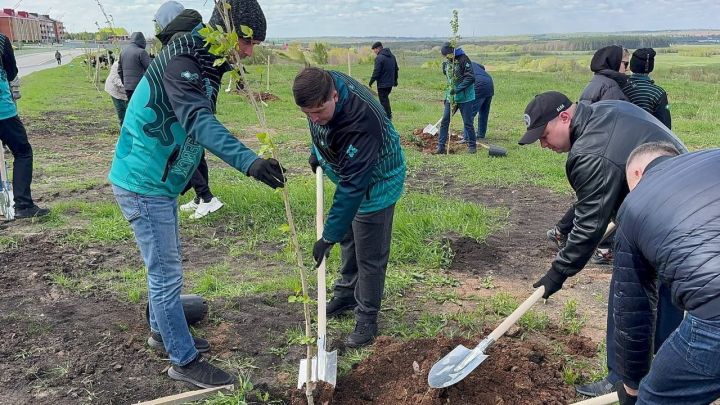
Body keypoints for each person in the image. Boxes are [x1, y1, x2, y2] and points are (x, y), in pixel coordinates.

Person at [108, 0, 285, 388]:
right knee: (167, 275)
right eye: (246, 41)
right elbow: (198, 118)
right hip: (143, 182)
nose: (250, 51)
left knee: (165, 269)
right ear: (225, 30)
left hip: (160, 181)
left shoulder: (207, 56)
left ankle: (161, 331)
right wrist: (250, 162)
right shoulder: (182, 59)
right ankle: (183, 361)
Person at [518, 91, 687, 397]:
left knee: (643, 298)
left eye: (544, 135)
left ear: (565, 117)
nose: (543, 145)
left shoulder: (589, 154)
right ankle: (643, 376)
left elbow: (588, 228)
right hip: (668, 202)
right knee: (651, 295)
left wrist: (557, 274)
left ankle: (641, 382)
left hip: (665, 219)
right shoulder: (602, 109)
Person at [292, 67, 406, 348]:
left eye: (319, 111)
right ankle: (345, 295)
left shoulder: (361, 119)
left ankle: (367, 317)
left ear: (334, 96)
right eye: (308, 114)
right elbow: (322, 126)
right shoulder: (320, 84)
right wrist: (318, 149)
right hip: (351, 176)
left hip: (376, 182)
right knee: (349, 239)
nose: (314, 118)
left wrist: (327, 236)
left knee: (369, 253)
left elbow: (354, 185)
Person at [613, 145, 720, 405]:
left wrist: (634, 385)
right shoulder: (711, 158)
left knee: (654, 398)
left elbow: (633, 312)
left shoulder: (634, 205)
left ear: (637, 173)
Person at [548, 46, 631, 263]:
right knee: (609, 201)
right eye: (625, 64)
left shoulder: (595, 84)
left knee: (591, 199)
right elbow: (618, 126)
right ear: (613, 64)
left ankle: (561, 229)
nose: (627, 69)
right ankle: (604, 248)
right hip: (604, 153)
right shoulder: (611, 89)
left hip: (593, 150)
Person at [153, 1, 222, 219]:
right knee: (196, 154)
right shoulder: (195, 40)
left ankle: (208, 197)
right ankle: (201, 197)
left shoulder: (181, 43)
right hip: (195, 107)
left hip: (187, 110)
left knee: (188, 155)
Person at [0, 33, 49, 219]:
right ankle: (23, 204)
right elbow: (12, 72)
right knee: (22, 152)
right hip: (3, 111)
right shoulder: (2, 41)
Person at [435, 42, 476, 154]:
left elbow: (470, 77)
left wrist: (457, 89)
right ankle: (441, 146)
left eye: (446, 55)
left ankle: (472, 146)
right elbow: (450, 81)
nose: (445, 57)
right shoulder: (448, 61)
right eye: (444, 56)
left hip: (465, 97)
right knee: (445, 121)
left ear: (451, 52)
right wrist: (447, 95)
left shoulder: (463, 59)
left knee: (468, 122)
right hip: (451, 97)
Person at [622, 48, 671, 129]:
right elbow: (666, 126)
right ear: (651, 68)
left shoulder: (620, 86)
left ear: (631, 65)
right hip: (649, 138)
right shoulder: (658, 93)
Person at [368, 41, 399, 120]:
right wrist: (395, 81)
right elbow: (396, 69)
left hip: (382, 84)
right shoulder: (392, 56)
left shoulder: (379, 58)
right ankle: (387, 115)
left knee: (383, 101)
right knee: (385, 99)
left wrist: (371, 81)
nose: (374, 51)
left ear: (378, 48)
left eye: (374, 49)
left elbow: (376, 71)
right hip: (390, 83)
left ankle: (387, 116)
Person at [117, 32, 150, 100]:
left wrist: (125, 82)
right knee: (140, 106)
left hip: (127, 86)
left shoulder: (123, 52)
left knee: (132, 106)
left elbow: (119, 70)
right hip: (140, 86)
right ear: (142, 41)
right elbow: (150, 69)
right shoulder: (141, 52)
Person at [468, 61, 493, 141]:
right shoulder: (471, 62)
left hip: (479, 84)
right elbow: (482, 67)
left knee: (469, 114)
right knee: (484, 112)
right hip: (489, 82)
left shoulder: (458, 66)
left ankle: (467, 137)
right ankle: (481, 134)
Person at [104, 60, 127, 125]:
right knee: (121, 109)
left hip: (128, 91)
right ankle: (123, 129)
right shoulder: (117, 65)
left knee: (130, 110)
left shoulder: (136, 64)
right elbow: (115, 80)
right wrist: (129, 85)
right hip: (115, 90)